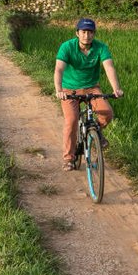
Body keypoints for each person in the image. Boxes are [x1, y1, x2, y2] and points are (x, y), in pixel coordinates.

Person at [54, 18, 123, 171]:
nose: (87, 35)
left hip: (92, 88)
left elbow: (109, 67)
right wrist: (59, 90)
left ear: (94, 34)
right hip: (69, 90)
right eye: (83, 32)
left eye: (90, 32)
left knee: (107, 113)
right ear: (77, 33)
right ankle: (69, 159)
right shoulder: (67, 47)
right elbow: (59, 69)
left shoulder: (101, 47)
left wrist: (116, 89)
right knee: (71, 121)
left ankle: (95, 131)